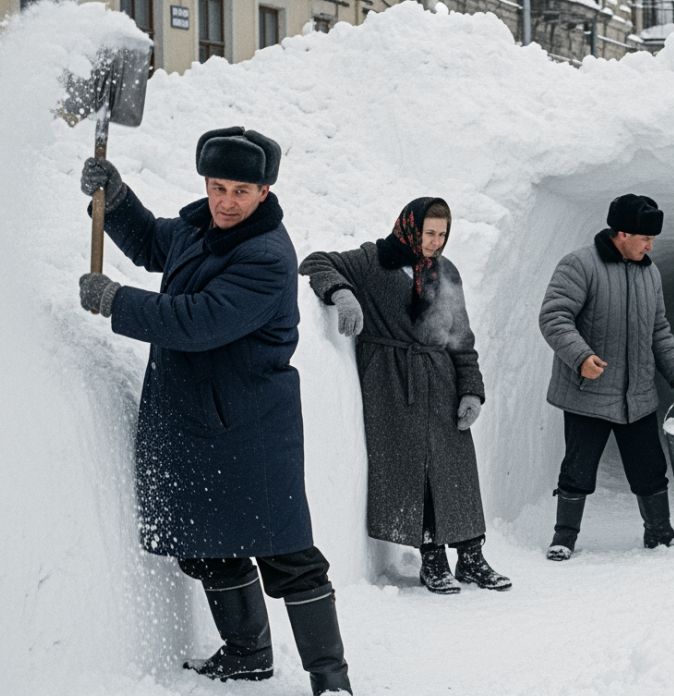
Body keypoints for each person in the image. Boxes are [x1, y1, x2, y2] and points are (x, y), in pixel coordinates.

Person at [76, 127, 351, 695]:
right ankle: (248, 653)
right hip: (196, 418)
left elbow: (198, 320)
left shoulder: (267, 256)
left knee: (288, 556)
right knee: (208, 543)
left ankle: (332, 680)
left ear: (265, 192)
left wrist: (116, 300)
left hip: (250, 425)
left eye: (240, 191)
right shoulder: (203, 226)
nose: (226, 201)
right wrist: (118, 200)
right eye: (217, 186)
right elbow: (156, 242)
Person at [298, 198, 510, 595]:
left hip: (441, 379)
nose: (435, 242)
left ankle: (471, 557)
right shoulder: (373, 260)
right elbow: (315, 262)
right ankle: (431, 559)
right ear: (410, 227)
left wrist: (471, 390)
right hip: (392, 382)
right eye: (429, 232)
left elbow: (461, 336)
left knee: (456, 467)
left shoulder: (446, 273)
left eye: (442, 234)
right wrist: (342, 293)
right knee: (416, 469)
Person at [538, 193, 674, 561]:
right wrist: (580, 357)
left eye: (652, 240)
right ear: (622, 233)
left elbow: (659, 330)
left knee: (649, 468)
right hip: (588, 392)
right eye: (645, 238)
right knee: (577, 468)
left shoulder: (651, 273)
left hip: (637, 394)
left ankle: (659, 532)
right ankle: (564, 536)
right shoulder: (579, 265)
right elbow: (554, 317)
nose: (650, 245)